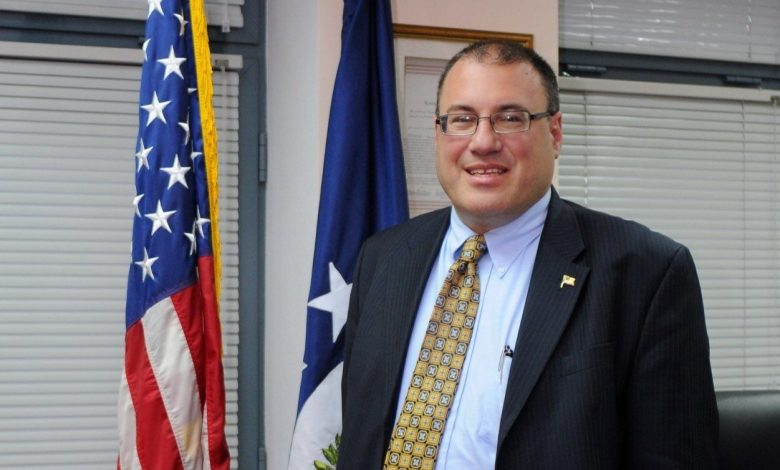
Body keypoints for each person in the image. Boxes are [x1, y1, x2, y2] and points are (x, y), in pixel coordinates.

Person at [338, 40, 718, 469]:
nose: (483, 142)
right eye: (462, 119)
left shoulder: (647, 273)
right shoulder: (383, 258)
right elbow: (359, 437)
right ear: (438, 133)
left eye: (510, 118)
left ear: (555, 133)